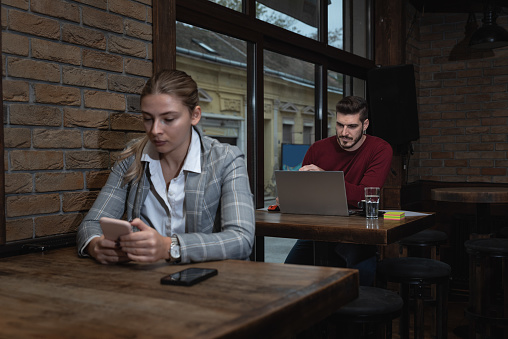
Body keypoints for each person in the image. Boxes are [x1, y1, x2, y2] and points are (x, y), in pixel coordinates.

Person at [77, 69, 255, 264]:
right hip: (142, 280)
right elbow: (91, 224)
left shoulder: (226, 159)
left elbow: (241, 239)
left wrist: (169, 247)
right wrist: (96, 246)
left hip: (209, 281)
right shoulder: (131, 156)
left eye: (168, 119)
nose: (155, 130)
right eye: (147, 118)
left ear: (195, 115)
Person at [284, 95, 392, 286]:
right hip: (318, 230)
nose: (344, 132)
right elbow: (304, 193)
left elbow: (365, 195)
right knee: (290, 277)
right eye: (340, 125)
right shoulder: (318, 149)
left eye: (352, 126)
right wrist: (290, 197)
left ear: (365, 124)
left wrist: (324, 178)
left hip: (358, 234)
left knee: (350, 287)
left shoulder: (380, 149)